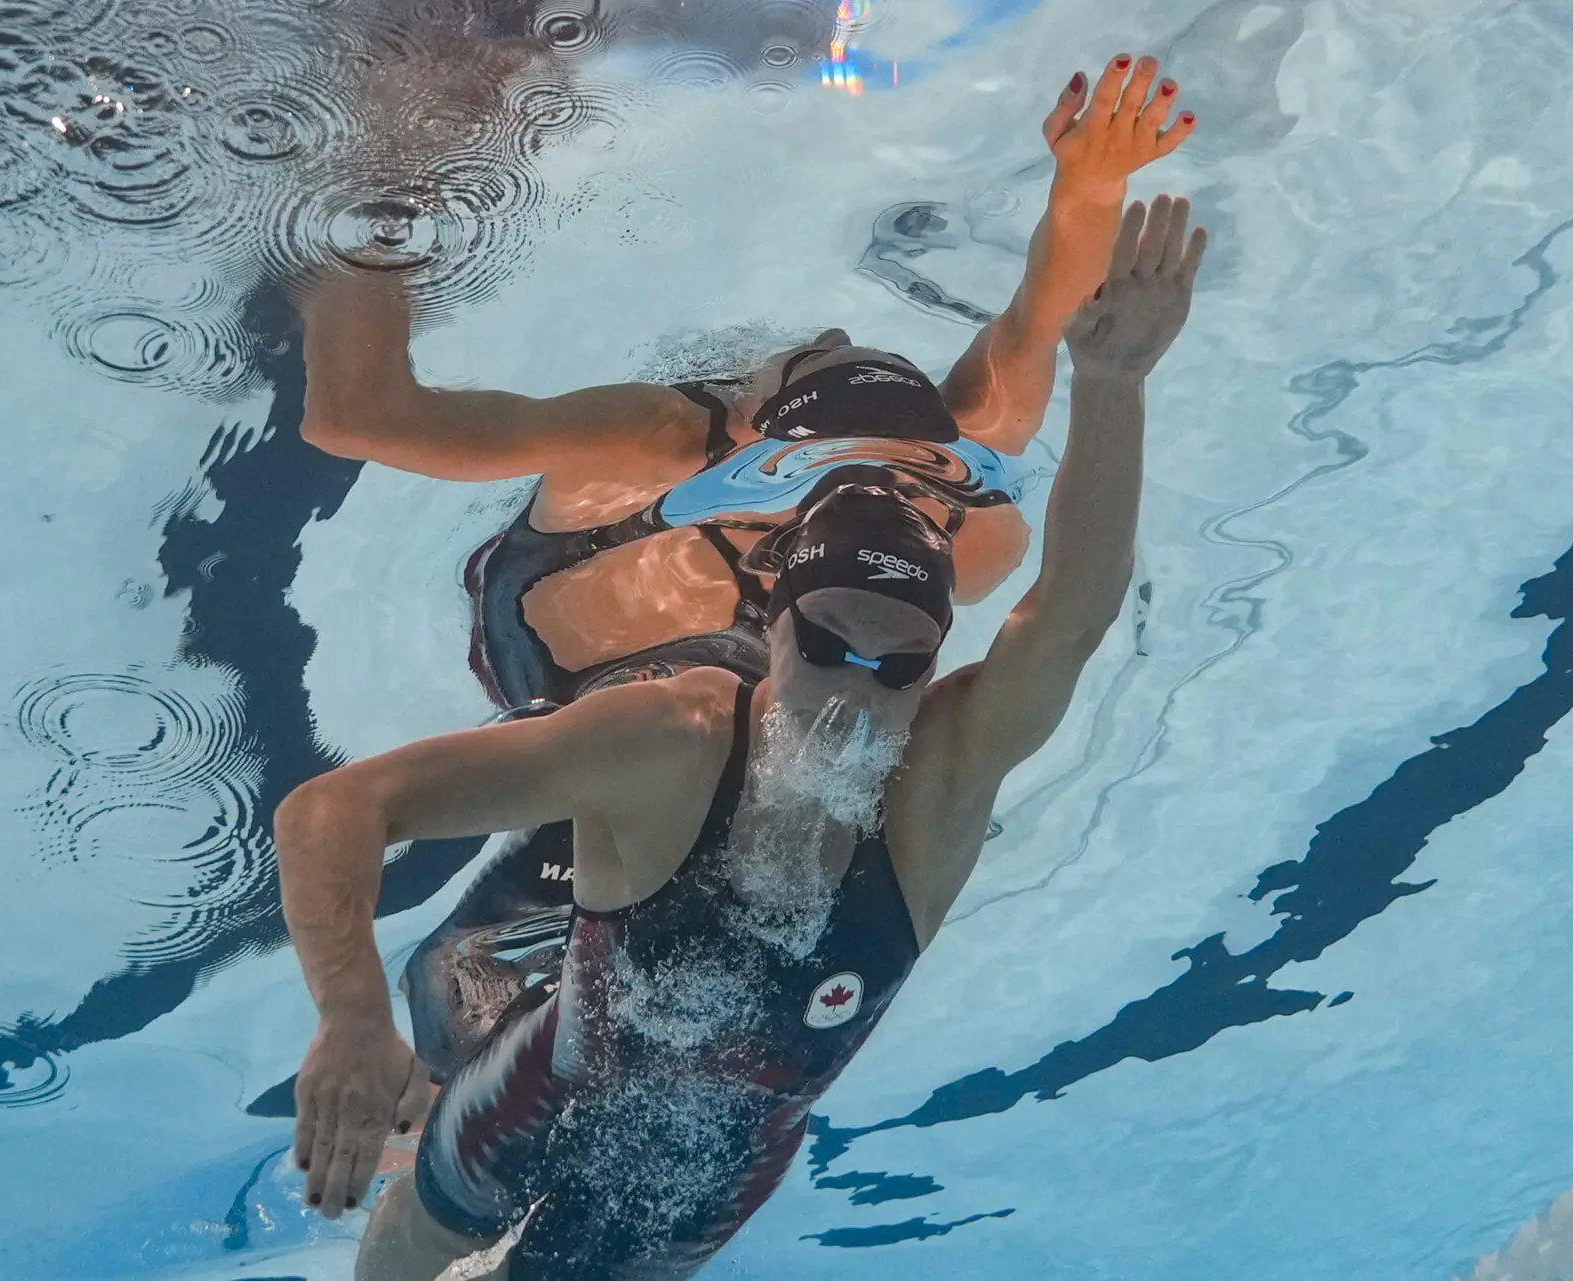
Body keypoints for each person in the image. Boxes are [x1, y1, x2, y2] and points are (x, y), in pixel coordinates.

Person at [278, 57, 1205, 1281]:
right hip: (591, 739)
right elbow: (359, 431)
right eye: (828, 641)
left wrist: (1093, 215)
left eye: (898, 662)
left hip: (708, 1157)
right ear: (779, 615)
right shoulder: (669, 595)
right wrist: (376, 193)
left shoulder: (936, 686)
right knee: (457, 985)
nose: (859, 687)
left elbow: (1065, 556)